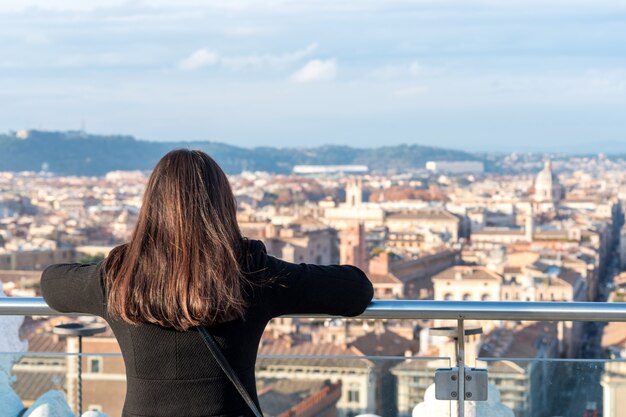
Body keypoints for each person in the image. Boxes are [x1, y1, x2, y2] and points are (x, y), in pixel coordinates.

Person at [40, 149, 374, 417]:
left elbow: (52, 284)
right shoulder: (252, 273)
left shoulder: (117, 277)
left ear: (150, 207)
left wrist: (121, 260)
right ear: (223, 205)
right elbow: (356, 291)